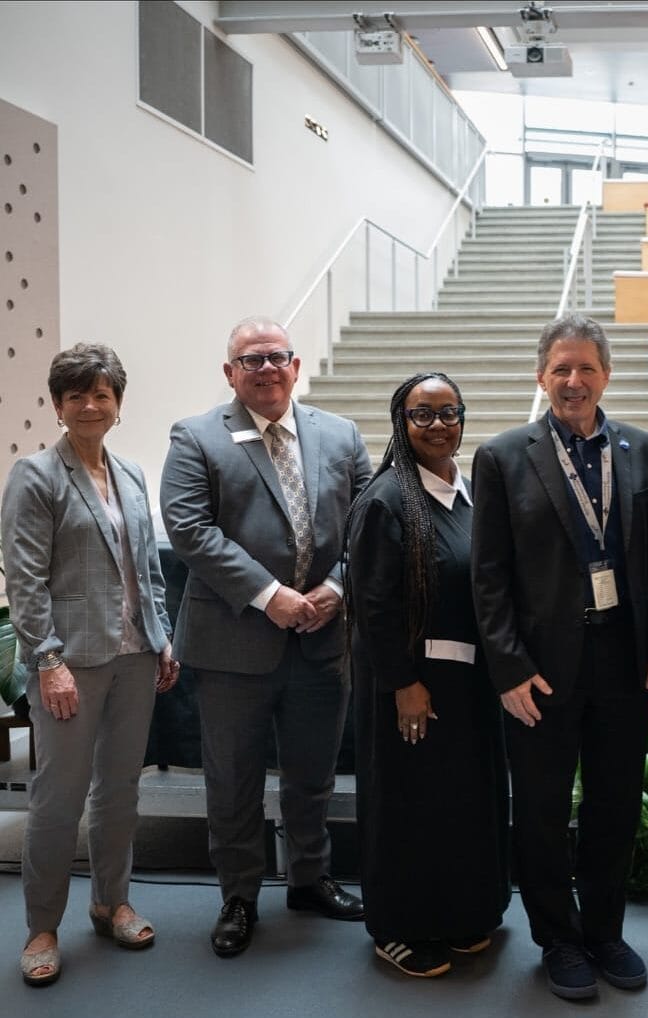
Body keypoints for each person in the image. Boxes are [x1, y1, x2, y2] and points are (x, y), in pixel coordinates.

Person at [471, 314, 648, 1002]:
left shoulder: (642, 451)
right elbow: (488, 575)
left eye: (586, 368)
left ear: (606, 375)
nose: (573, 381)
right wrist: (507, 667)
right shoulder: (503, 457)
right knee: (540, 808)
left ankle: (605, 932)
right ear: (541, 377)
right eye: (560, 368)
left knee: (616, 805)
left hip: (623, 661)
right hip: (540, 669)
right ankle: (558, 938)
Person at [161, 316, 372, 958]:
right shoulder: (196, 436)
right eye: (250, 360)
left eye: (276, 356)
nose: (266, 368)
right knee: (234, 780)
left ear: (296, 365)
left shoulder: (341, 434)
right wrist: (269, 596)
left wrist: (335, 588)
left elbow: (369, 522)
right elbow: (189, 528)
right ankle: (239, 895)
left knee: (312, 776)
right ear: (230, 373)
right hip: (233, 646)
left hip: (322, 638)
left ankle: (310, 879)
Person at [1, 343, 180, 987]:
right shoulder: (36, 475)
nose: (89, 404)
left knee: (120, 792)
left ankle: (111, 903)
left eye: (101, 394)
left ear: (118, 405)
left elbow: (149, 570)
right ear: (57, 404)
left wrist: (161, 637)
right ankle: (42, 926)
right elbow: (24, 579)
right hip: (70, 663)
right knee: (58, 799)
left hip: (135, 657)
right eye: (75, 394)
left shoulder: (131, 473)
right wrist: (47, 661)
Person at [345, 372, 510, 978]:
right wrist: (403, 684)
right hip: (410, 687)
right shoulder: (386, 499)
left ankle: (462, 913)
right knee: (407, 808)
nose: (438, 425)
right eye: (423, 415)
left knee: (462, 803)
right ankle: (398, 926)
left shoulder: (469, 497)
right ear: (401, 422)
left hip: (468, 687)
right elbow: (373, 606)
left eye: (449, 413)